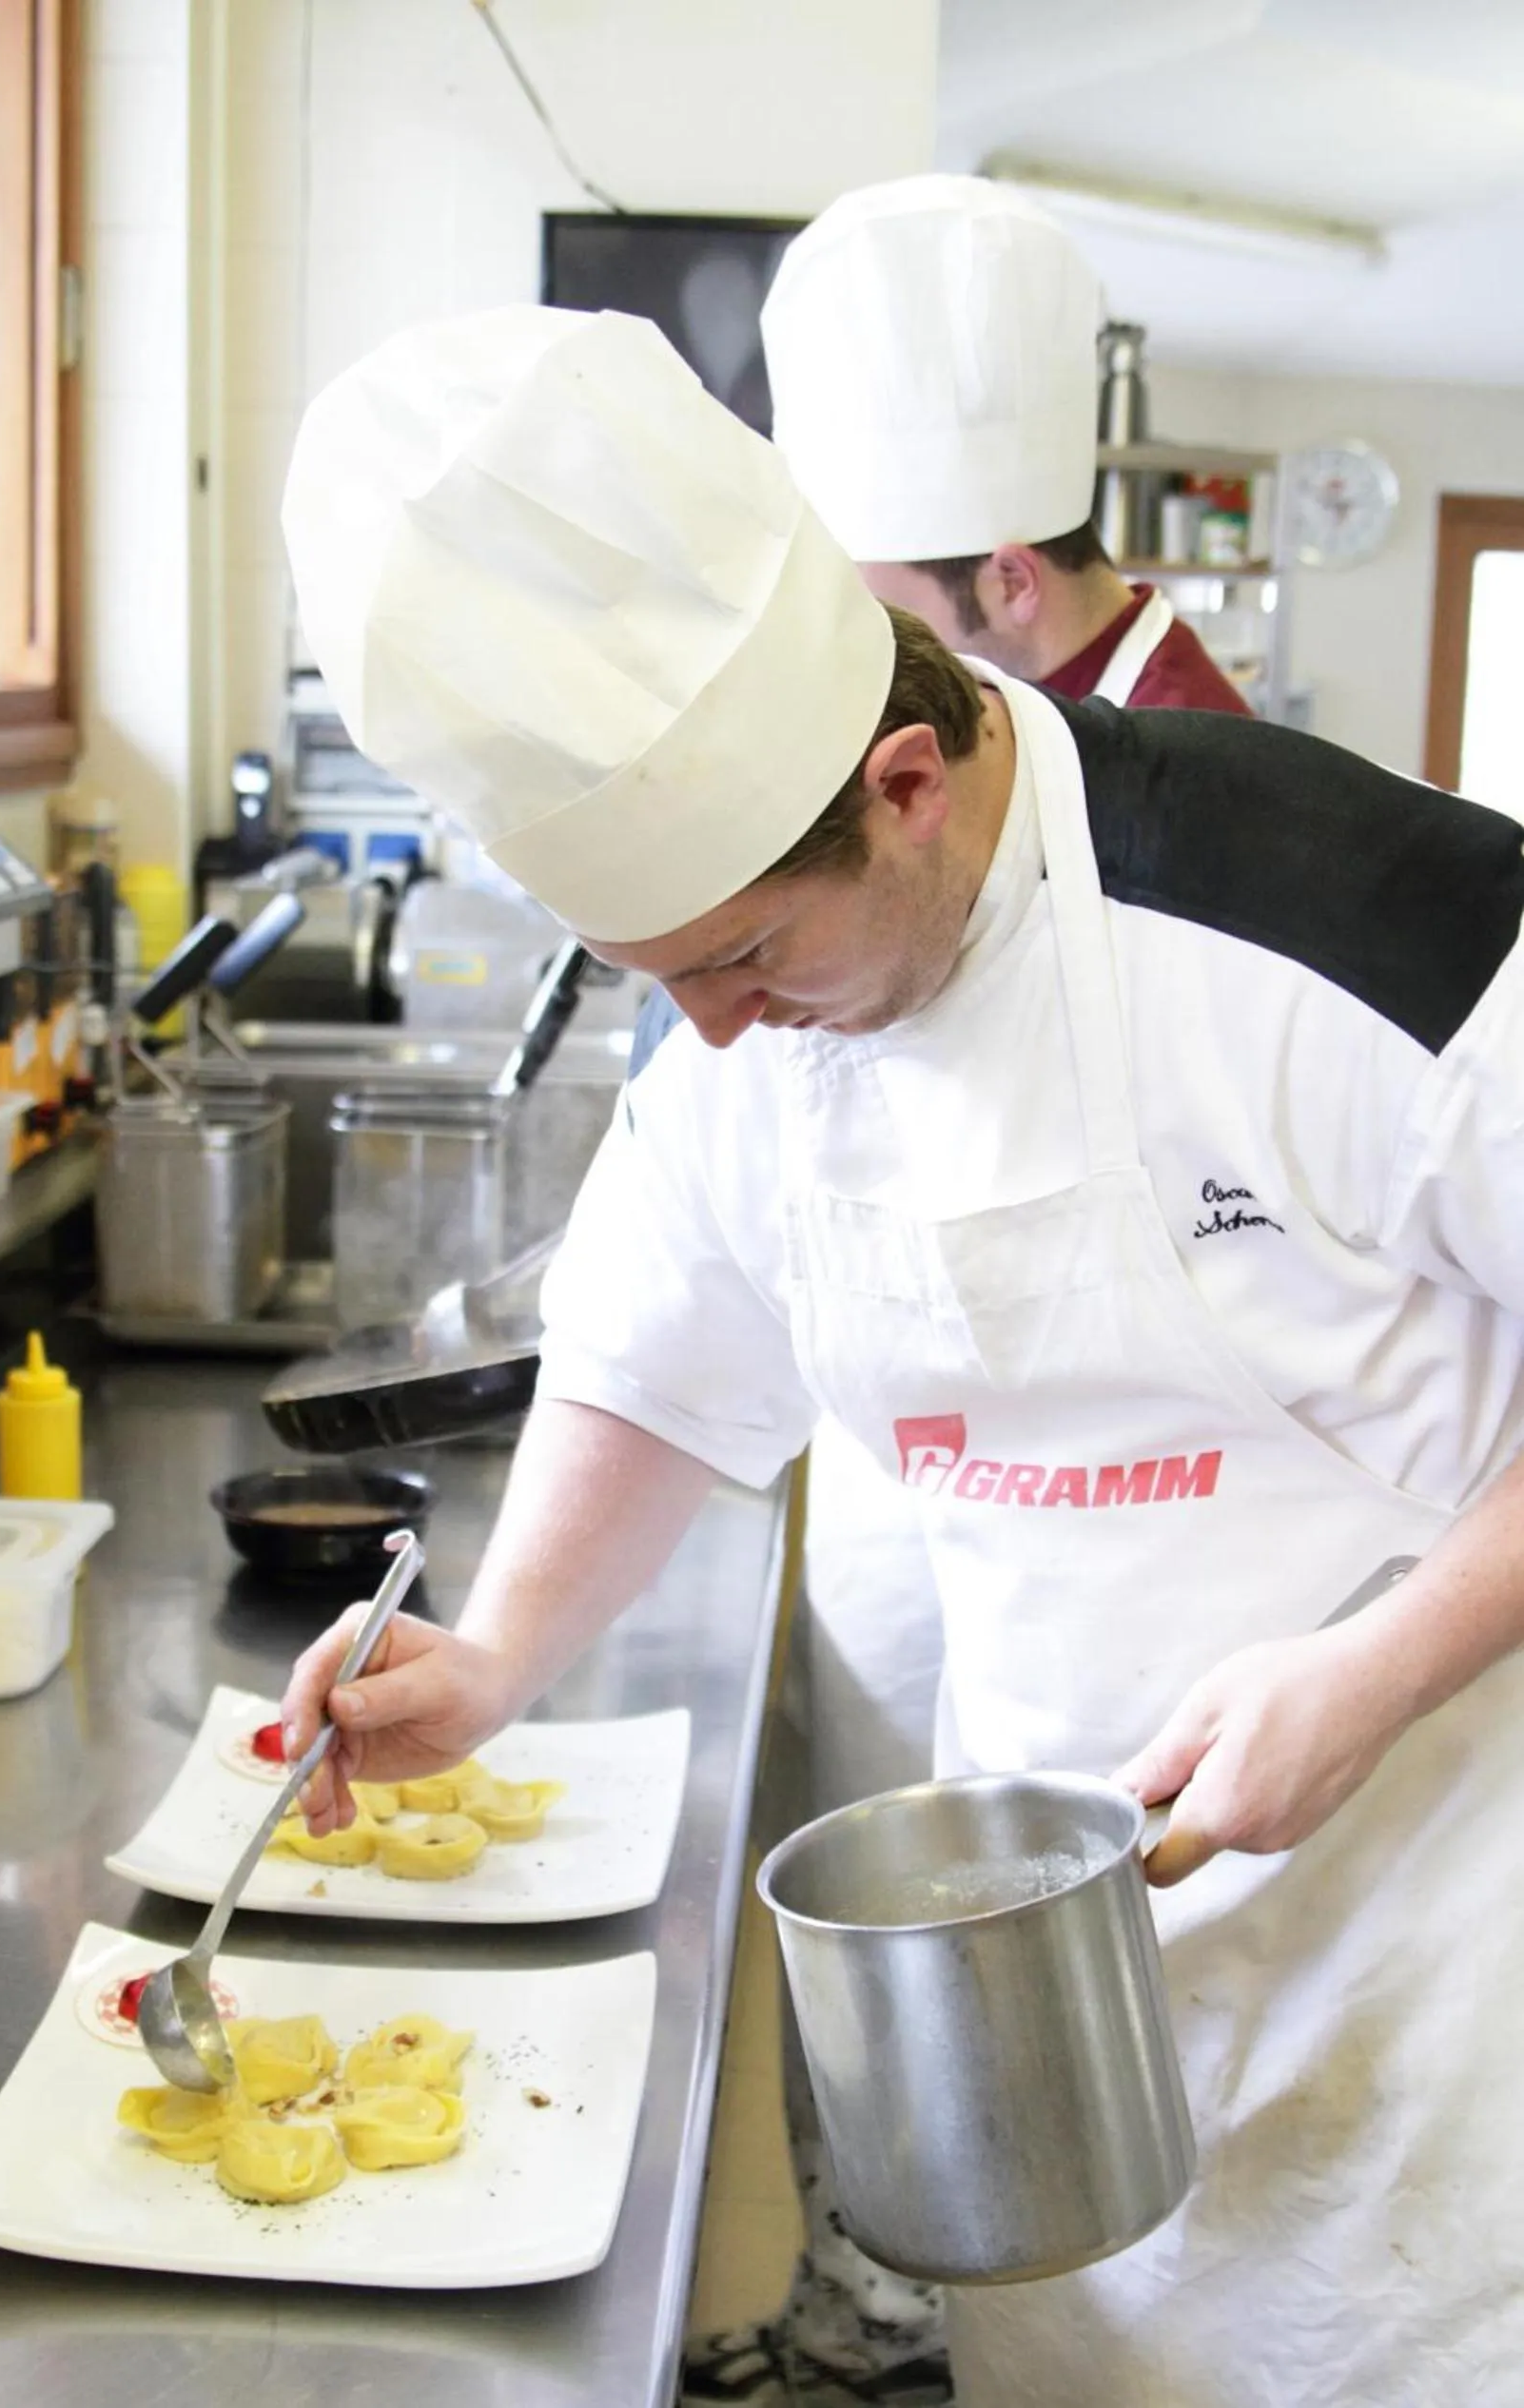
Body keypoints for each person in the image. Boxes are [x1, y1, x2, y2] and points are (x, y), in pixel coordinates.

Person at [281, 303, 1524, 2408]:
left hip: (1430, 1974)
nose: (723, 1033)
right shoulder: (751, 1012)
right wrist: (493, 1663)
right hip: (1051, 1983)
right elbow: (657, 1357)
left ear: (909, 779)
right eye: (662, 978)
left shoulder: (1360, 917)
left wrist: (1374, 1666)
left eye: (747, 958)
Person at [713, 174, 1256, 2404]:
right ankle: (898, 2284)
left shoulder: (1204, 812)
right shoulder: (946, 779)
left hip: (1121, 1598)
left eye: (872, 614)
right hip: (933, 1502)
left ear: (1003, 587)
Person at [761, 174, 1253, 716]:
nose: (882, 652)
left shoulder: (1186, 754)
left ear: (1014, 583)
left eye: (895, 618)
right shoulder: (1023, 700)